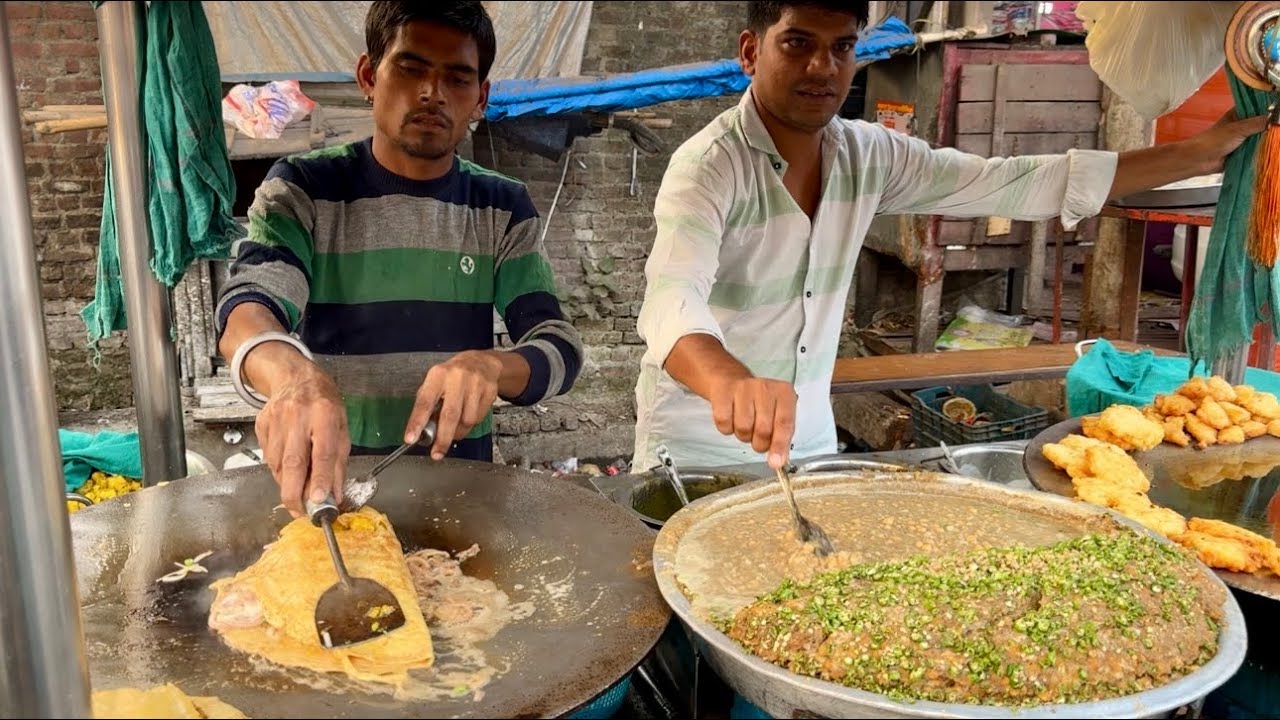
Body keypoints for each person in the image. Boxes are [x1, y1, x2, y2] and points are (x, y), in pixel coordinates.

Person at [631, 0, 1266, 473]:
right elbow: (671, 297)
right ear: (751, 51)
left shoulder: (869, 155)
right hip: (697, 454)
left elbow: (1015, 182)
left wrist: (1195, 155)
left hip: (810, 445)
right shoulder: (708, 165)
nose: (822, 66)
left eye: (842, 47)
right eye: (798, 43)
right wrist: (728, 382)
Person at [216, 1, 583, 516]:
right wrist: (291, 376)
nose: (433, 92)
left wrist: (491, 367)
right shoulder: (304, 188)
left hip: (462, 495)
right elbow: (248, 308)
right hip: (336, 493)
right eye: (411, 69)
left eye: (457, 79)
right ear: (369, 75)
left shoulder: (501, 205)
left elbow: (560, 349)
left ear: (480, 99)